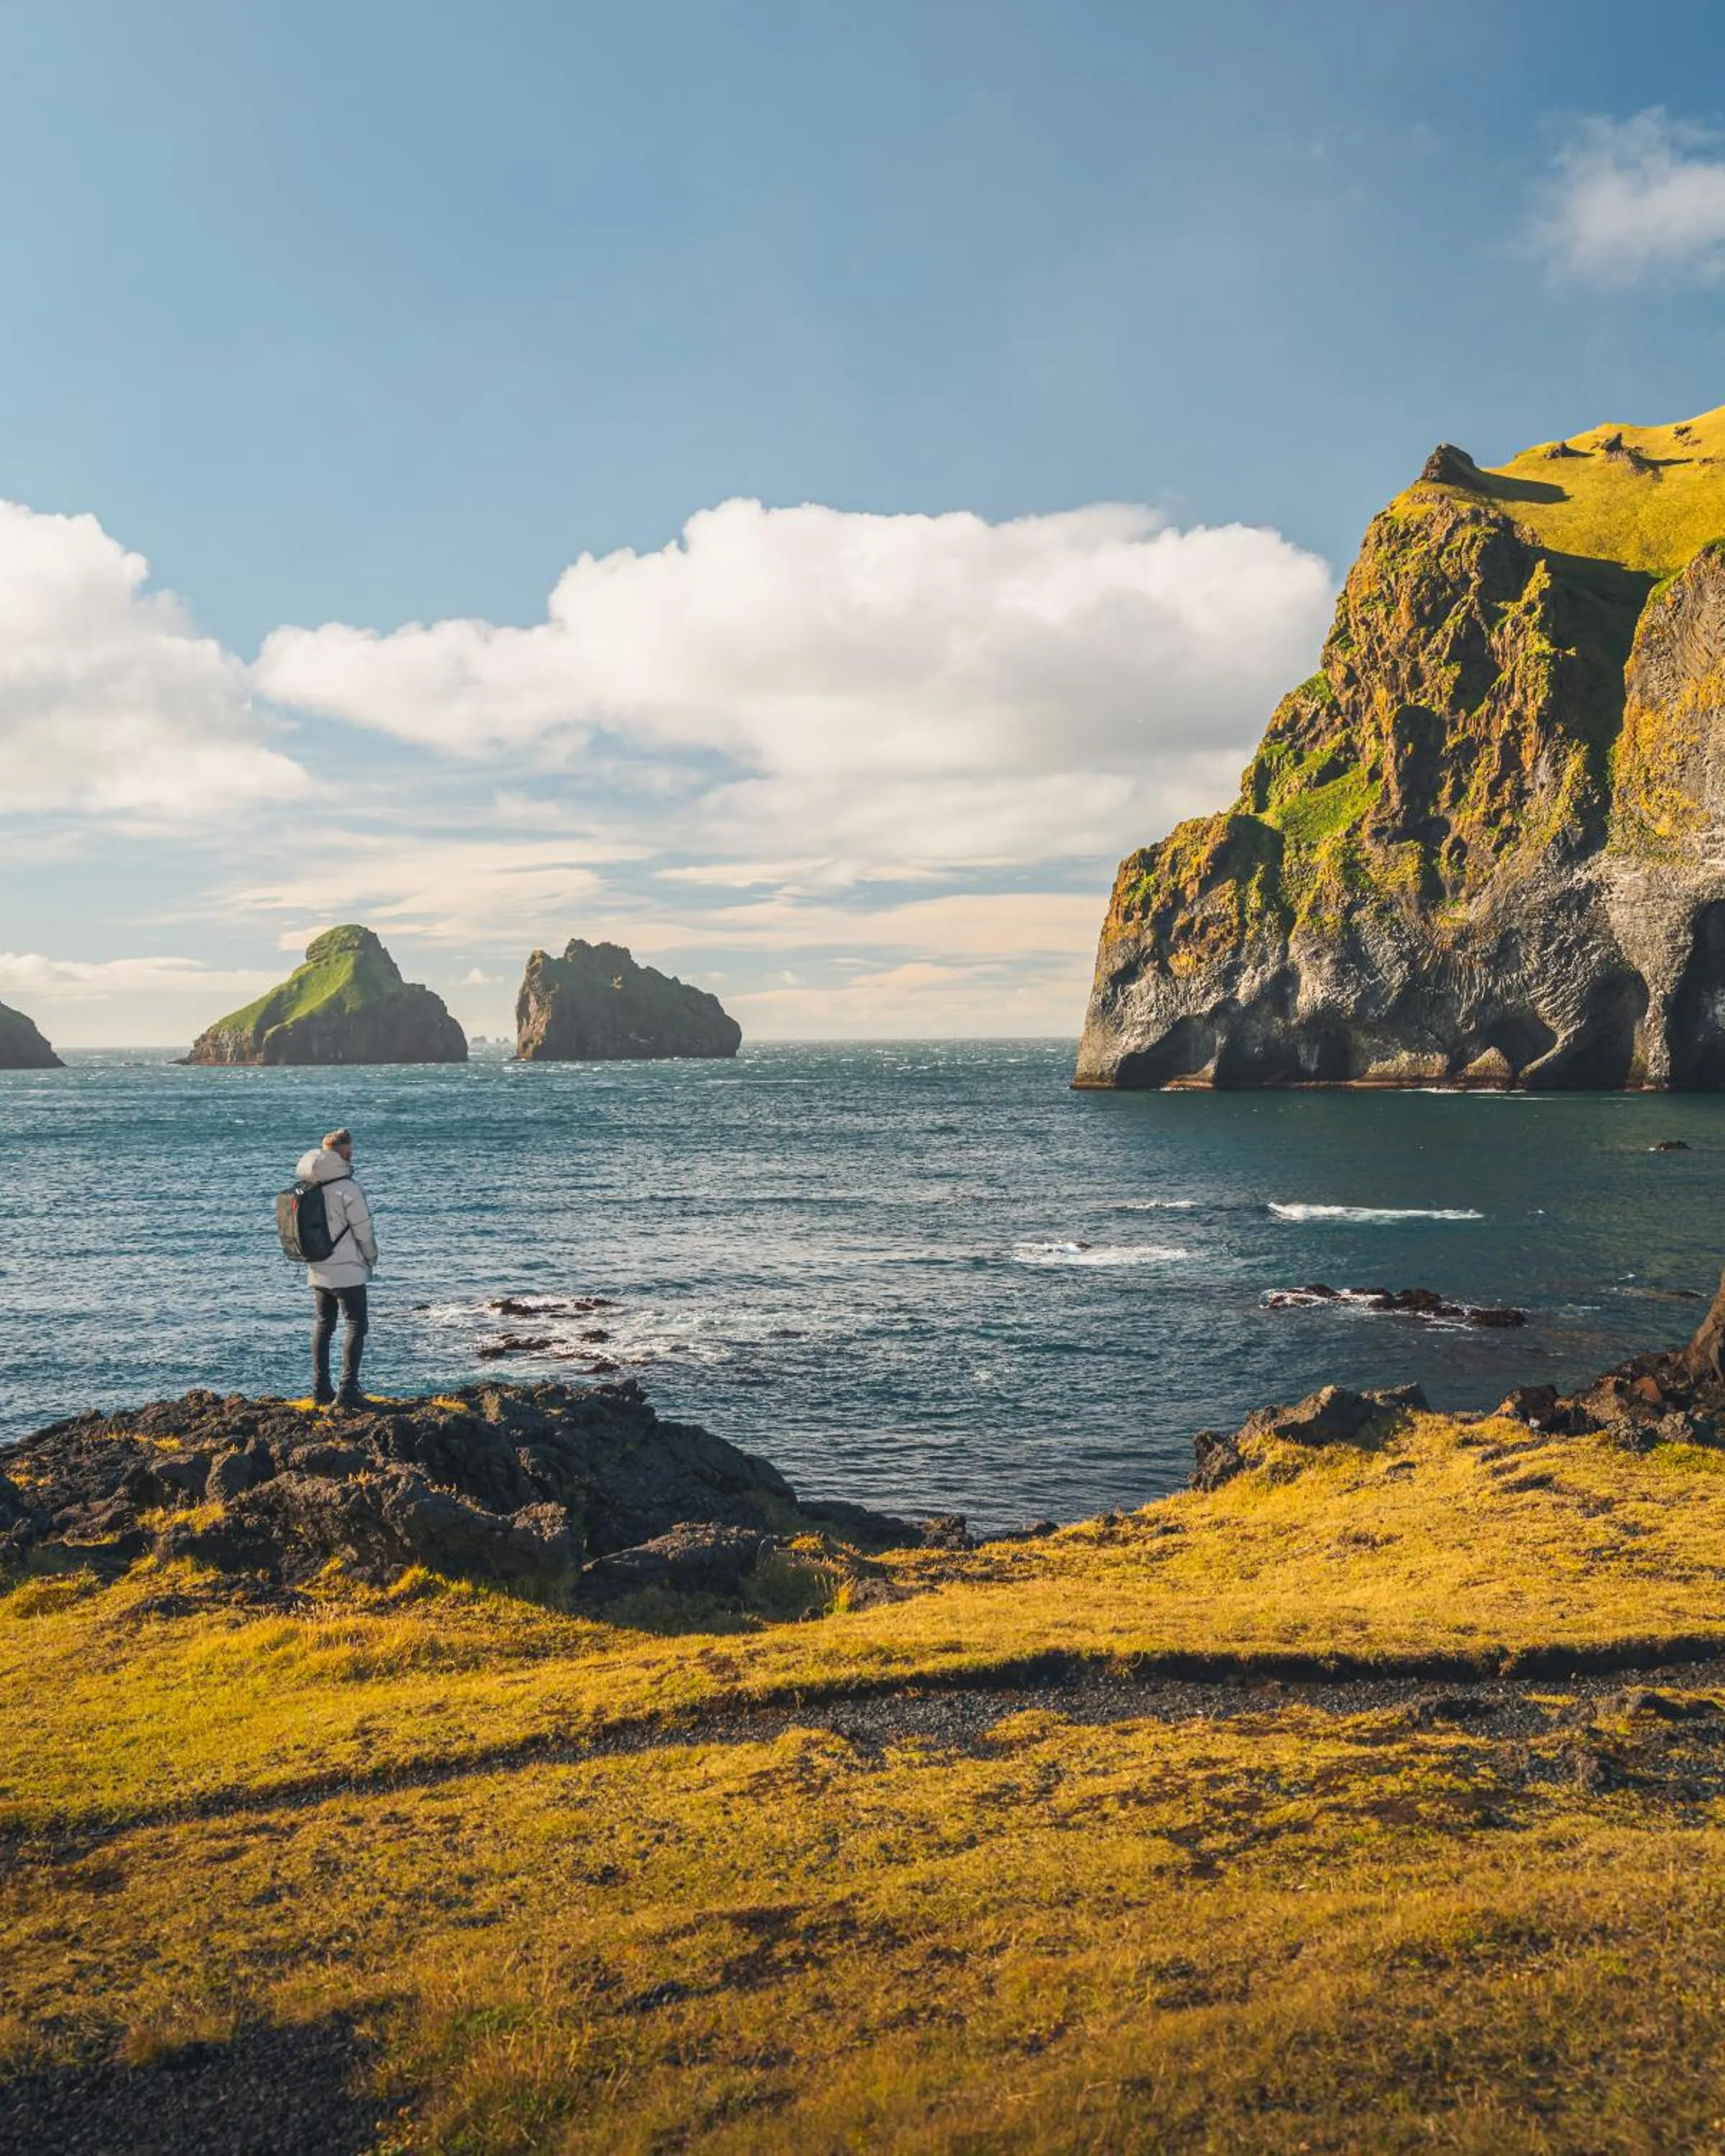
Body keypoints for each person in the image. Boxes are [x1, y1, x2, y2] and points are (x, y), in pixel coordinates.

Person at [295, 1126, 378, 1409]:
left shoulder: (306, 1187)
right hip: (348, 1270)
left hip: (318, 1267)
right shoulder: (348, 1188)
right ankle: (349, 1390)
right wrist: (371, 1258)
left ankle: (320, 1390)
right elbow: (363, 1230)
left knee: (323, 1325)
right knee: (356, 1324)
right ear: (346, 1153)